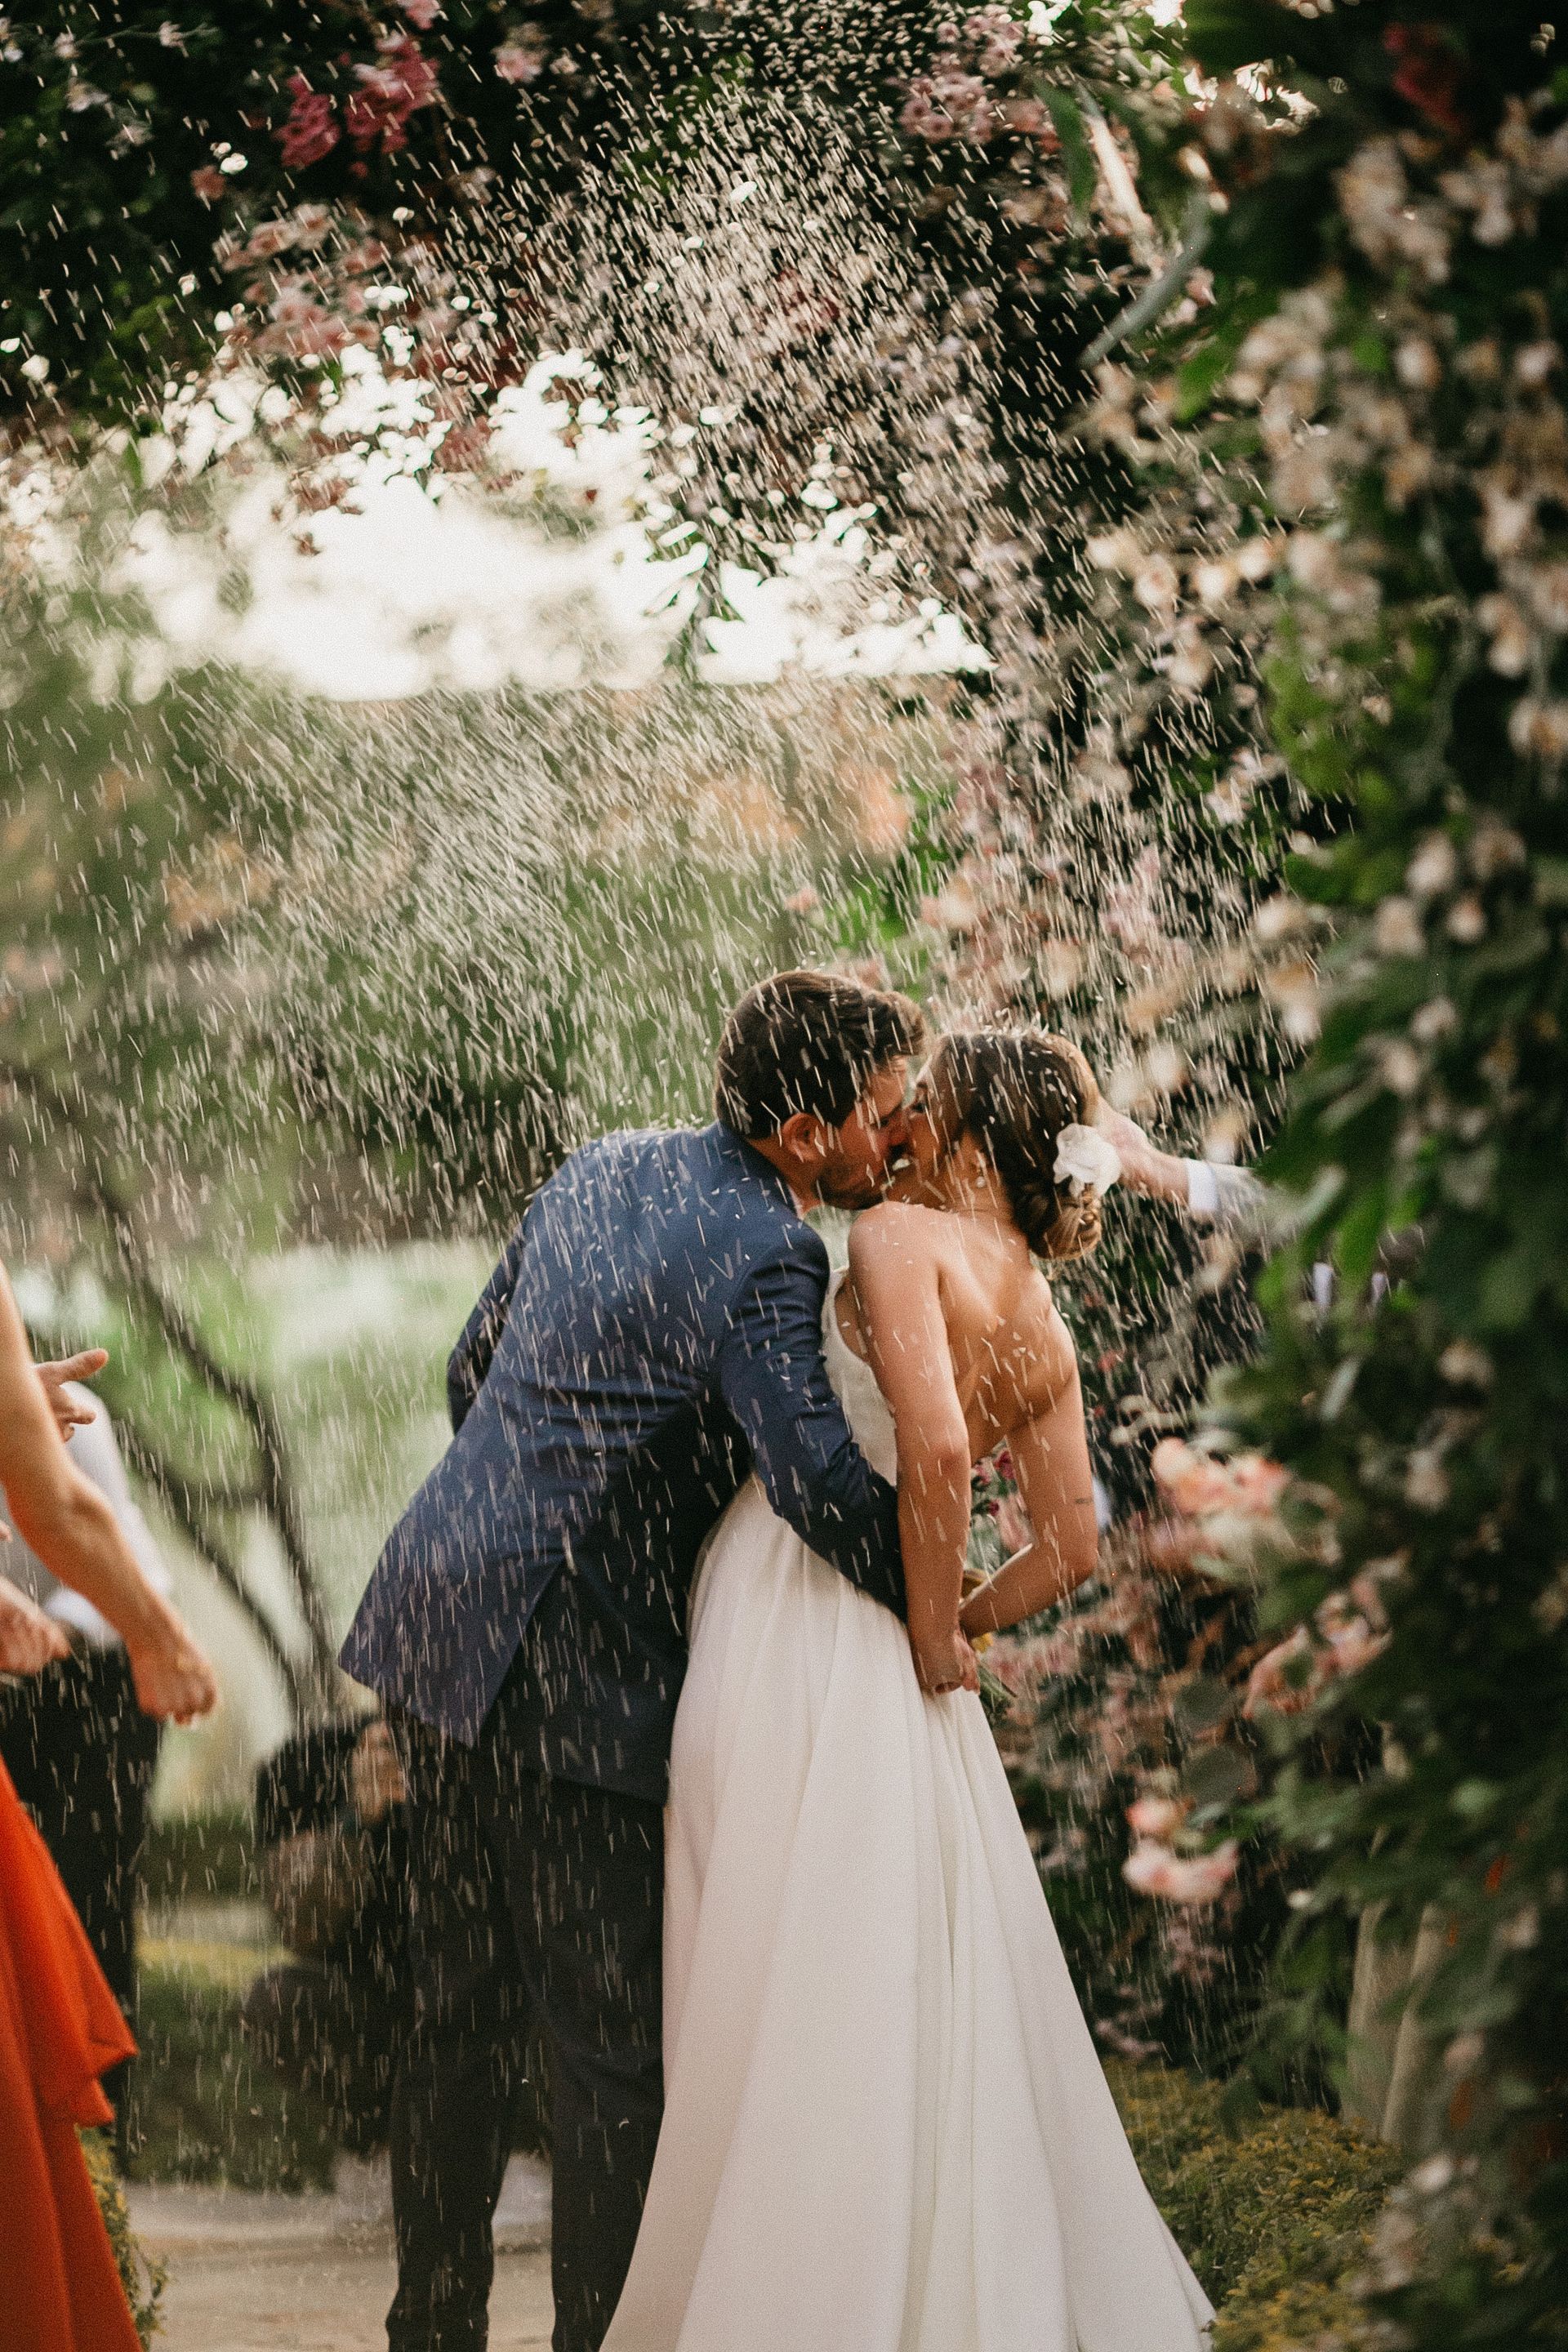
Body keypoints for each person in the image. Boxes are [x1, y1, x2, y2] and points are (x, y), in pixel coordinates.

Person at [601, 1030, 1211, 2352]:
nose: (903, 1132)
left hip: (798, 1608)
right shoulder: (1045, 1318)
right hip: (902, 1641)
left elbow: (931, 1448)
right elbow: (1073, 1546)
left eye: (925, 1110)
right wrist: (963, 1625)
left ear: (975, 1144)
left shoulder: (896, 1238)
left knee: (763, 1925)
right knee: (904, 1952)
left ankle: (785, 2282)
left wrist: (932, 1626)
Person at [341, 969, 924, 2352]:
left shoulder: (605, 1163)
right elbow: (817, 1480)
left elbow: (470, 1367)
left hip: (439, 1611)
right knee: (607, 2051)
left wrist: (540, 1499)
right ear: (805, 1132)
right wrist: (941, 1596)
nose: (897, 1139)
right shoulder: (773, 1249)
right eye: (883, 1115)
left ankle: (432, 2331)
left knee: (452, 2017)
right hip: (573, 1666)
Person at [0, 1262, 217, 2352]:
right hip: (56, 1662)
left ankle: (103, 2167)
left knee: (87, 1916)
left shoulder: (77, 1414)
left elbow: (91, 1525)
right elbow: (60, 1513)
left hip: (85, 1675)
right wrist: (166, 1642)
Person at [0, 1380, 175, 2143]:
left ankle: (98, 2139)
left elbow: (97, 1542)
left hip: (101, 1668)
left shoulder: (66, 1410)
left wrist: (49, 1634)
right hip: (9, 1655)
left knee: (88, 1900)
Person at [242, 1715, 415, 2156]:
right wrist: (357, 1821)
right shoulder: (307, 1763)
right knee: (277, 2002)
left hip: (489, 1998)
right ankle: (376, 2144)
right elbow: (300, 1924)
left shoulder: (503, 1748)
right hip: (376, 2005)